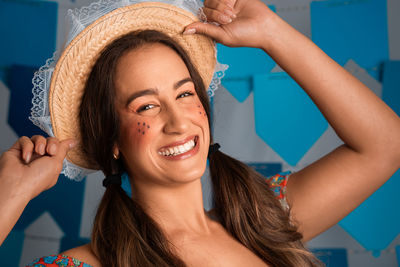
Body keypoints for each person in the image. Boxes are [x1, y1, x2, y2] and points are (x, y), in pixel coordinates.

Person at [0, 0, 398, 266]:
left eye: (185, 93)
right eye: (146, 106)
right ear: (112, 141)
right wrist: (11, 194)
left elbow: (385, 145)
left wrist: (272, 33)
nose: (179, 122)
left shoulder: (261, 219)